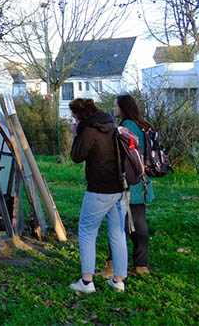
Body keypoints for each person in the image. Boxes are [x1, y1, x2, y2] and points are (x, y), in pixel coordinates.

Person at [68, 98, 128, 293]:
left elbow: (76, 156)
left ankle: (86, 282)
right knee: (118, 234)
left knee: (87, 232)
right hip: (119, 188)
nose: (73, 119)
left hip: (99, 190)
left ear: (79, 115)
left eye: (74, 116)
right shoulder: (111, 125)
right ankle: (118, 281)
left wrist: (76, 134)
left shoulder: (89, 130)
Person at [100, 94, 155, 277]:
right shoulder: (144, 126)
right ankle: (141, 265)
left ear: (123, 108)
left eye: (116, 106)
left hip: (127, 183)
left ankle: (112, 266)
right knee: (139, 226)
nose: (114, 108)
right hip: (142, 183)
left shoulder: (126, 128)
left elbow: (118, 156)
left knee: (118, 226)